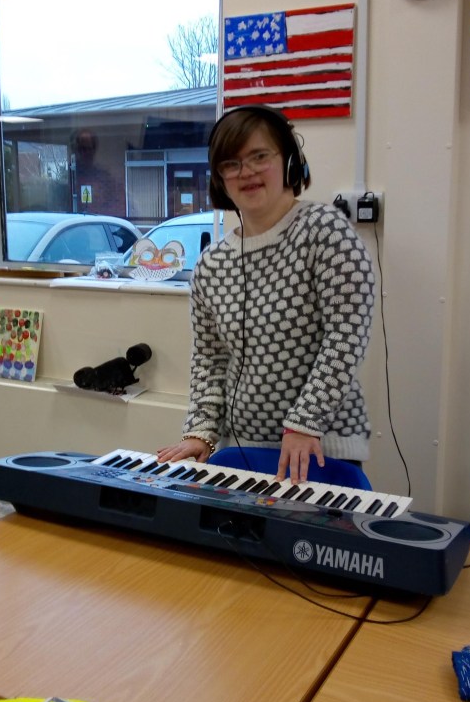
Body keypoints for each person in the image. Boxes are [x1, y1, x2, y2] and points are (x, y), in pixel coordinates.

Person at [156, 105, 375, 484]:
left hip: (320, 449)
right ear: (220, 179)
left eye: (259, 156)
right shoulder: (211, 264)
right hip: (240, 452)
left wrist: (304, 423)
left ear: (290, 163)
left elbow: (346, 335)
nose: (247, 172)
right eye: (231, 164)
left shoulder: (325, 231)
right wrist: (200, 432)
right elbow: (210, 360)